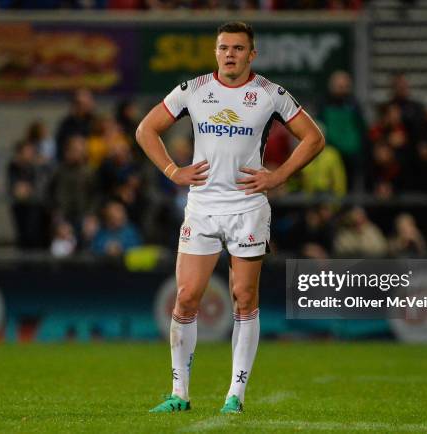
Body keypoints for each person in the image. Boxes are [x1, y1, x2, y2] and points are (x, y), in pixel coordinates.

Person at [136, 21, 324, 414]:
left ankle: (234, 396)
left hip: (247, 208)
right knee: (186, 297)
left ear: (251, 54)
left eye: (238, 48)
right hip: (202, 207)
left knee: (244, 297)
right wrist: (173, 172)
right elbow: (146, 130)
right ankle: (179, 394)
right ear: (216, 52)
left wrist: (278, 176)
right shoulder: (194, 90)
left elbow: (314, 138)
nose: (230, 55)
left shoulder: (270, 94)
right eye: (224, 48)